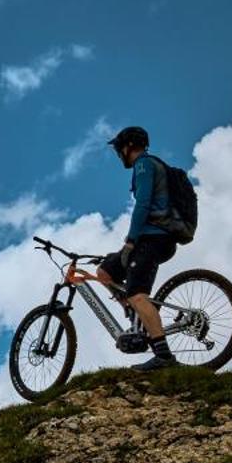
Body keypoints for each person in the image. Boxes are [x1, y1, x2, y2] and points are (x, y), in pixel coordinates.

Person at [97, 125, 178, 371]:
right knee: (104, 272)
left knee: (137, 293)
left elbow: (142, 205)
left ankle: (164, 357)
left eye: (119, 149)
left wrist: (130, 242)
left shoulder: (143, 165)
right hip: (155, 238)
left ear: (128, 146)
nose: (119, 154)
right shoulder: (152, 165)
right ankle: (135, 315)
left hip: (152, 239)